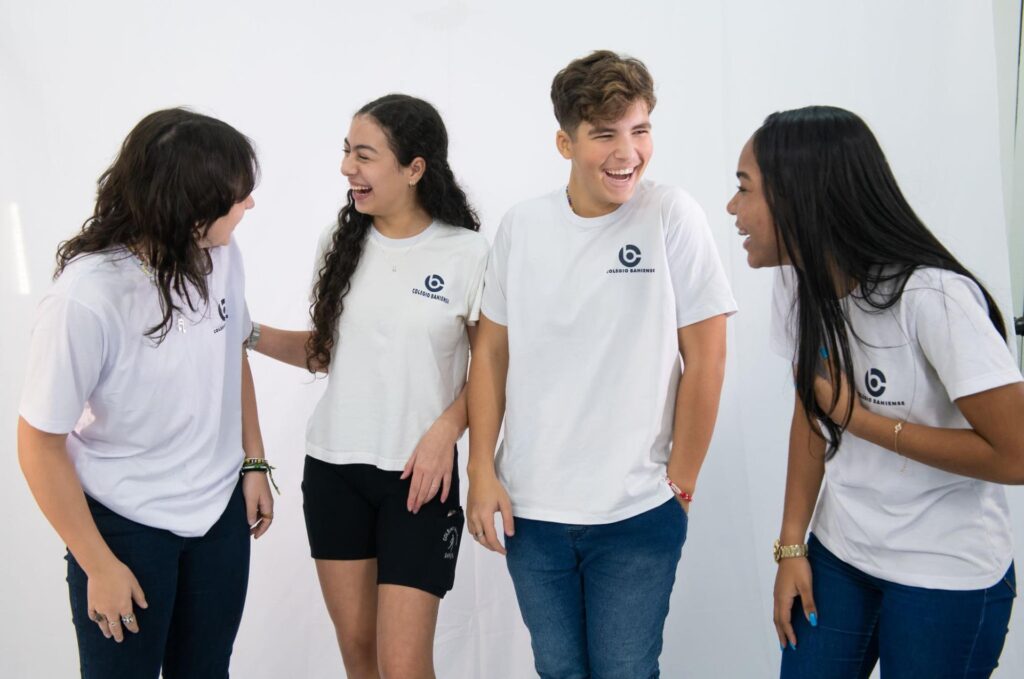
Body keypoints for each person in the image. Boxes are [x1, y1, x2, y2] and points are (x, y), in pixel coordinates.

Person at [727, 105, 1023, 678]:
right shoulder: (799, 279)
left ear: (799, 198)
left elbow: (1015, 453)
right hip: (842, 555)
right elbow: (811, 415)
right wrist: (792, 545)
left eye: (744, 190)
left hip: (945, 572)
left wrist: (861, 421)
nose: (733, 209)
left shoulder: (933, 298)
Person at [466, 50, 736, 678]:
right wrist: (481, 468)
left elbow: (709, 356)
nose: (628, 152)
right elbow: (491, 352)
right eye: (605, 134)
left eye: (640, 130)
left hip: (637, 512)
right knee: (559, 671)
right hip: (531, 511)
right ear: (565, 142)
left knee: (624, 672)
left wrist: (681, 485)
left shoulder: (671, 215)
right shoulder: (522, 227)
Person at [17, 108, 273, 679]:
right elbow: (38, 443)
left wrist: (252, 462)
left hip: (217, 519)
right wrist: (97, 564)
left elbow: (233, 353)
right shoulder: (87, 298)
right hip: (124, 527)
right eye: (237, 194)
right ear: (189, 205)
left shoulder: (222, 255)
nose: (249, 204)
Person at [248, 94, 487, 679]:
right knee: (360, 658)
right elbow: (327, 354)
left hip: (418, 478)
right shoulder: (343, 239)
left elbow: (493, 370)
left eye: (364, 155)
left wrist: (445, 433)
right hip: (333, 469)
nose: (347, 168)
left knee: (403, 666)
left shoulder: (468, 253)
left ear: (414, 168)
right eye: (346, 152)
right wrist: (245, 332)